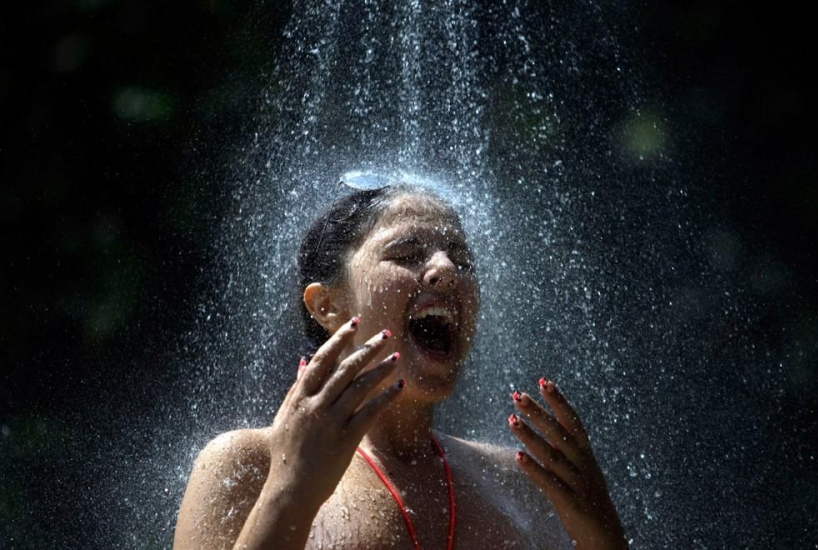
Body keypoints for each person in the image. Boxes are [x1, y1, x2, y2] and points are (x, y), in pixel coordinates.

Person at [173, 183, 627, 550]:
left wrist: (603, 534)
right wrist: (291, 490)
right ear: (327, 305)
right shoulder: (247, 465)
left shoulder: (515, 481)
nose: (447, 270)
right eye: (407, 255)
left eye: (461, 259)